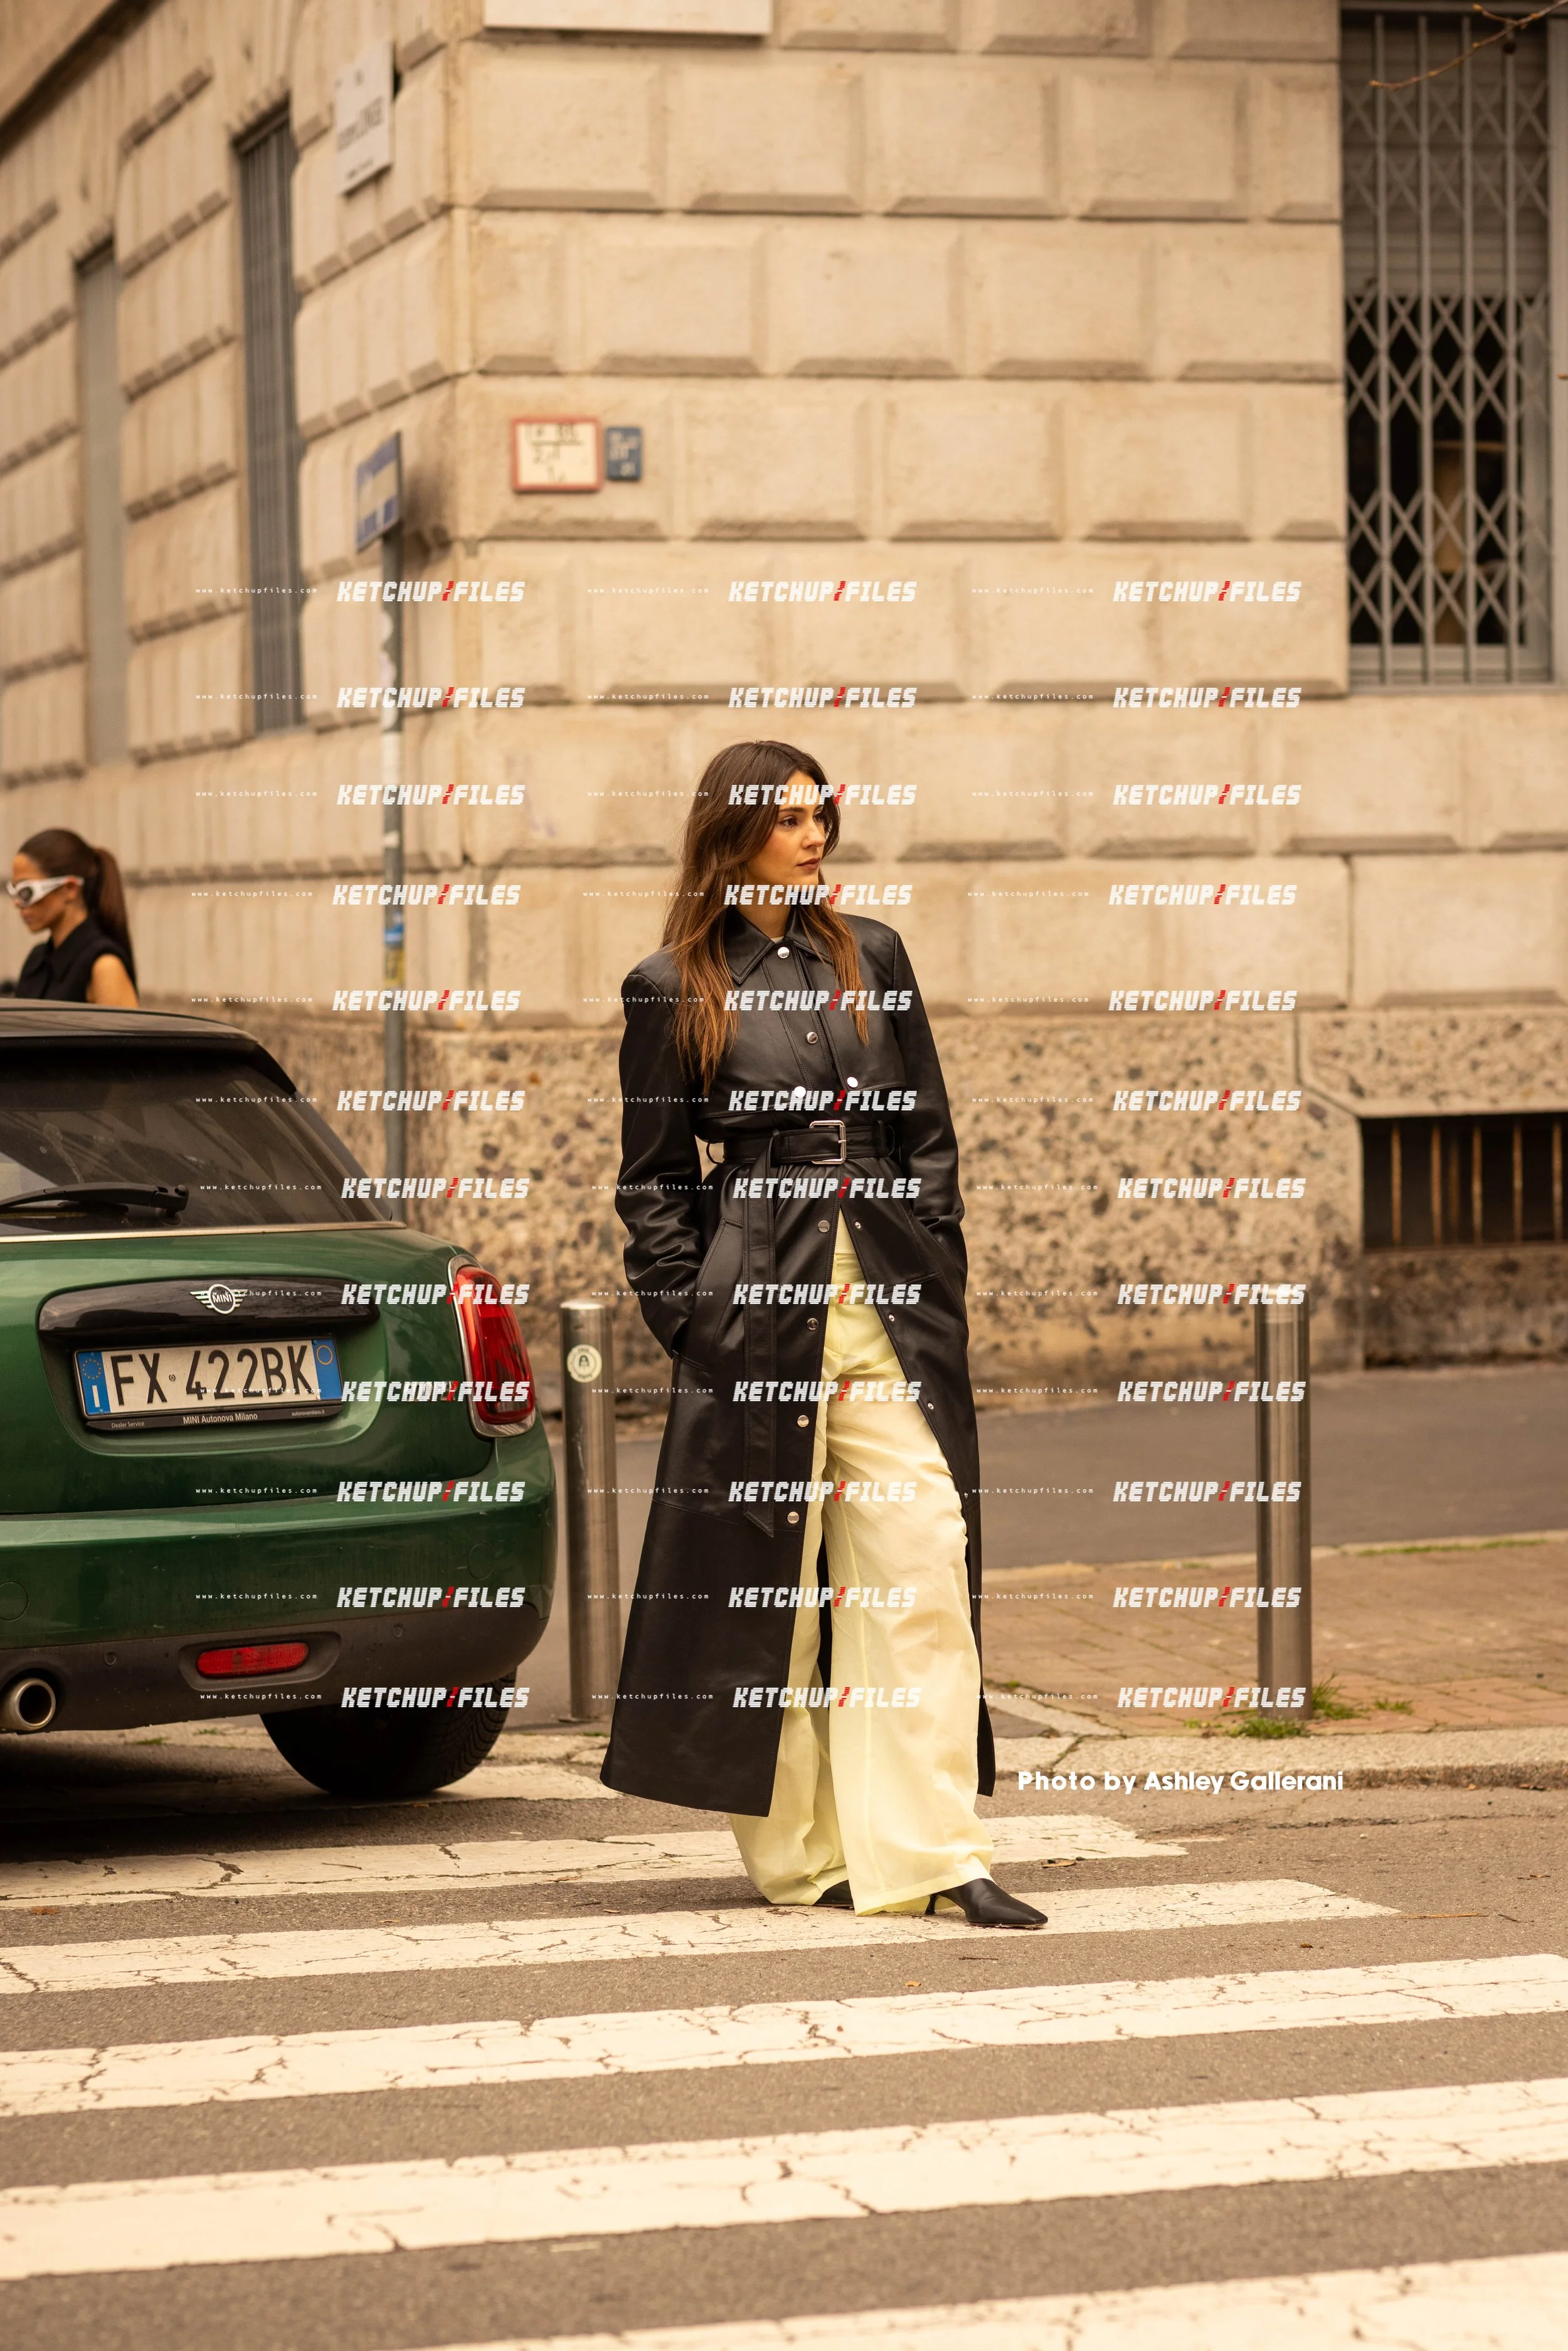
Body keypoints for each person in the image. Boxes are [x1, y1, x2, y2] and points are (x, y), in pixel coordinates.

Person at [603, 739, 1044, 1928]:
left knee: (922, 1563)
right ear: (731, 831)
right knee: (773, 1592)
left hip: (887, 1301)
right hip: (760, 1300)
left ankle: (934, 1852)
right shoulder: (671, 985)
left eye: (822, 816)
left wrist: (934, 1247)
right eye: (790, 818)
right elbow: (650, 1179)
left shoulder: (875, 955)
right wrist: (693, 1312)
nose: (815, 837)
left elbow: (930, 1130)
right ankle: (804, 1858)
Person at [8, 829, 139, 1004]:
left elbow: (129, 1031)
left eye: (27, 892)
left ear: (70, 889)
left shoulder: (104, 966)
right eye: (14, 891)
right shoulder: (37, 961)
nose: (18, 903)